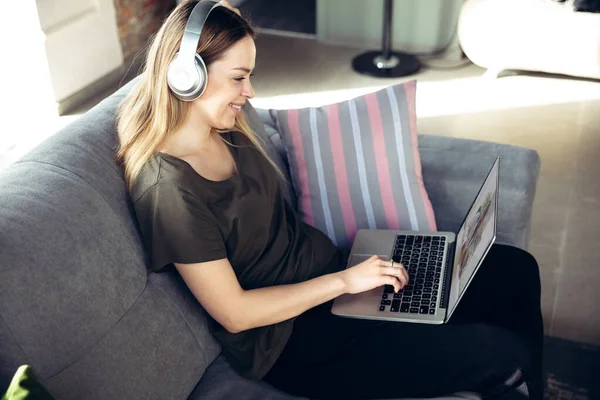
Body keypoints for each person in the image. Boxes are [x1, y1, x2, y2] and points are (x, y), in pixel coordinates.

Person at [116, 1, 544, 399]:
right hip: (293, 343)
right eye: (239, 77)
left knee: (516, 270)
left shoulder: (226, 128)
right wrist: (346, 283)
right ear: (187, 76)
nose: (249, 92)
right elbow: (236, 314)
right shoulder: (168, 189)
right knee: (496, 350)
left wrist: (353, 274)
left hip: (337, 274)